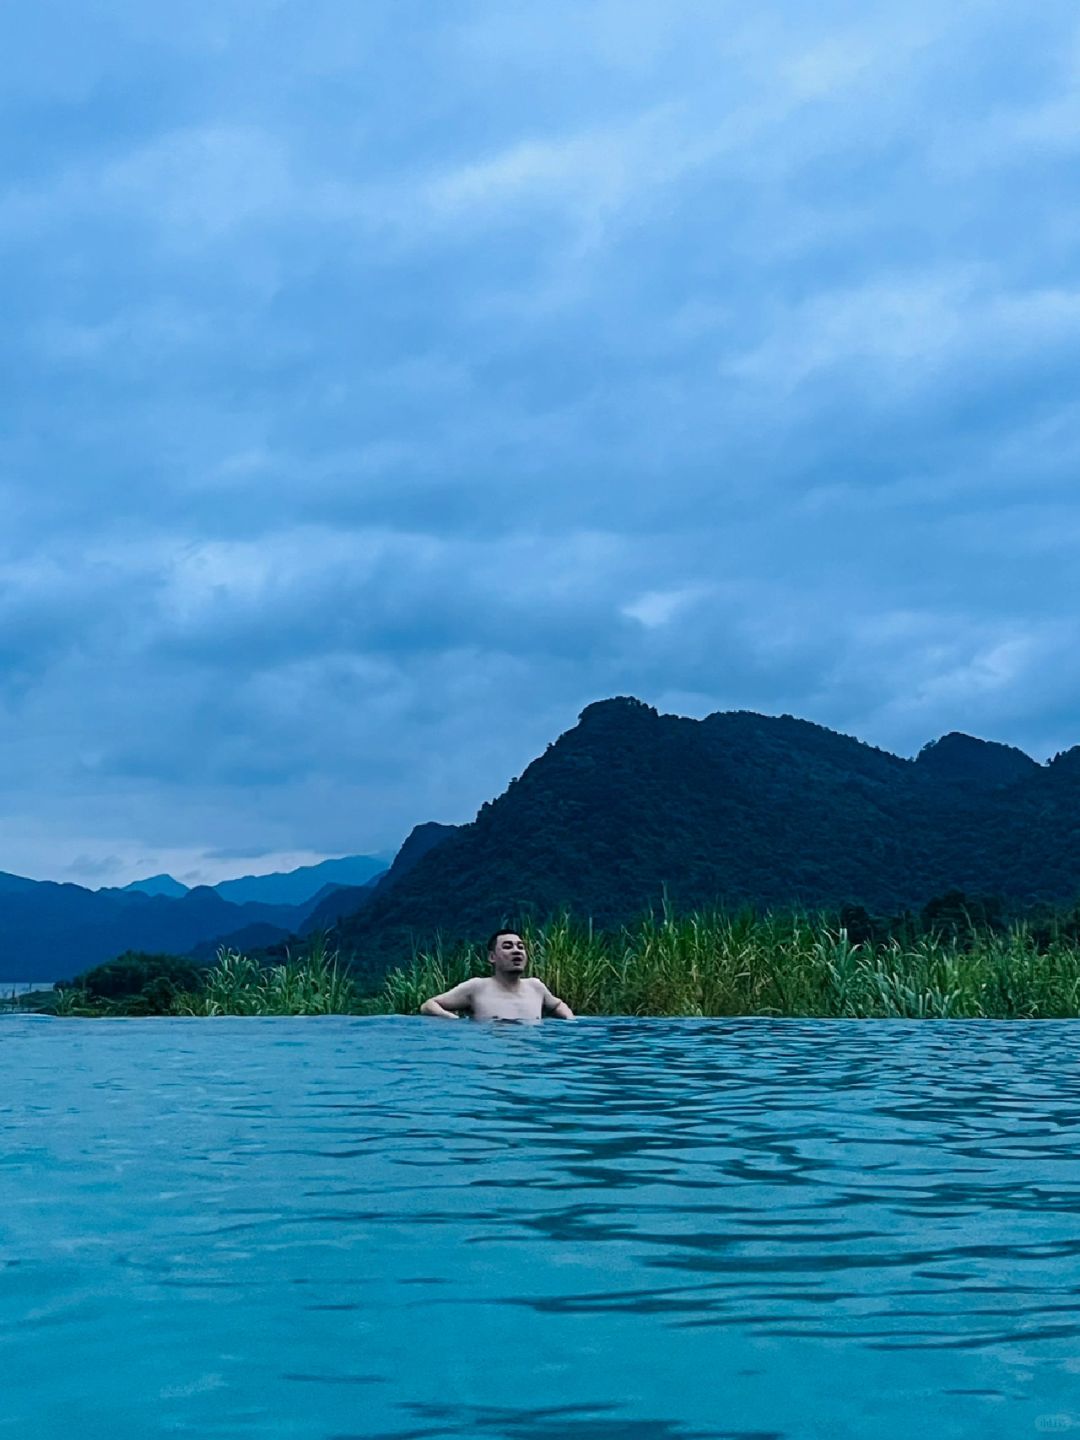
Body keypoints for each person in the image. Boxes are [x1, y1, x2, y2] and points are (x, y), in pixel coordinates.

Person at [420, 931, 575, 1021]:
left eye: (520, 947)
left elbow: (557, 1005)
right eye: (508, 947)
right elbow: (429, 1005)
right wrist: (453, 1021)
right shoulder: (477, 987)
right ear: (492, 957)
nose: (516, 951)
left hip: (529, 1054)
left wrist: (571, 1021)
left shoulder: (535, 986)